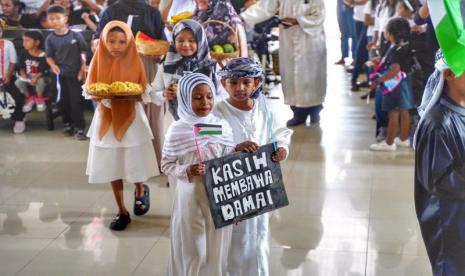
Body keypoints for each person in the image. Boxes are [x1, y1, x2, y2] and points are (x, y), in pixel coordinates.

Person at [214, 58, 292, 276]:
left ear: (256, 83)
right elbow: (205, 142)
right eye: (234, 82)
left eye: (247, 82)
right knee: (235, 239)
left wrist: (282, 149)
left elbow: (280, 133)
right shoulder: (216, 113)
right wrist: (233, 148)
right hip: (231, 188)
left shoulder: (264, 110)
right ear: (223, 84)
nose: (240, 88)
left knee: (259, 235)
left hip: (259, 187)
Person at [85, 21, 160, 231]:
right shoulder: (97, 60)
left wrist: (135, 94)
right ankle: (121, 210)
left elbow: (143, 92)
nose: (116, 46)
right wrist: (102, 96)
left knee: (133, 161)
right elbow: (90, 88)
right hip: (106, 116)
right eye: (111, 41)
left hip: (132, 118)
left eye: (121, 41)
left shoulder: (136, 61)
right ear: (103, 41)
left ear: (129, 43)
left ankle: (140, 188)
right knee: (111, 165)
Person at [161, 73, 235, 275]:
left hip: (218, 195)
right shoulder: (177, 130)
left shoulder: (221, 126)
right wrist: (187, 170)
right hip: (191, 195)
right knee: (195, 248)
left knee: (216, 244)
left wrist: (238, 149)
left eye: (209, 96)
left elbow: (226, 158)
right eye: (197, 97)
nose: (205, 102)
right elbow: (166, 165)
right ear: (185, 98)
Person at [94, 0, 167, 167]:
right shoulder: (110, 11)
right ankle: (121, 160)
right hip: (117, 66)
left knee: (149, 112)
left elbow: (162, 45)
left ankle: (151, 160)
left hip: (146, 65)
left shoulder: (152, 12)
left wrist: (156, 52)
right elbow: (98, 40)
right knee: (120, 110)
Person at [414, 50, 465, 275]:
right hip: (450, 221)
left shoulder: (460, 111)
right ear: (449, 74)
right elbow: (440, 182)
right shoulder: (437, 124)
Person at [240, 0, 327, 127]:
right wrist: (243, 17)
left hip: (310, 39)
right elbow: (265, 7)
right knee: (292, 76)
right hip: (289, 36)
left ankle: (315, 112)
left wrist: (298, 20)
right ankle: (298, 114)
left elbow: (319, 15)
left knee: (312, 77)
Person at [150, 19, 222, 120]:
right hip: (175, 123)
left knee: (207, 136)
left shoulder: (213, 67)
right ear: (174, 41)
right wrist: (164, 94)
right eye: (180, 40)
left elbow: (224, 97)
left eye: (192, 40)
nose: (185, 45)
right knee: (179, 136)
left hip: (208, 123)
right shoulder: (167, 65)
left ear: (200, 41)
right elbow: (152, 95)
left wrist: (201, 98)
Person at [369, 17, 414, 151]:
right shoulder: (405, 45)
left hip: (395, 85)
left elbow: (395, 70)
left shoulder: (394, 49)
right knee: (404, 110)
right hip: (405, 82)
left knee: (393, 113)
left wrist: (378, 80)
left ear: (390, 34)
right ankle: (404, 138)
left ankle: (389, 143)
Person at [45, 4, 88, 140]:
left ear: (65, 18)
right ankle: (67, 124)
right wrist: (52, 65)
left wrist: (82, 68)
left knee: (76, 102)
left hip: (75, 75)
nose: (54, 21)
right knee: (62, 101)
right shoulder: (50, 39)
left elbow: (83, 52)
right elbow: (48, 56)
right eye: (51, 19)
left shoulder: (76, 35)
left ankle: (80, 127)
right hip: (59, 76)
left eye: (57, 18)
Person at [0, 19, 25, 134]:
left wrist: (7, 75)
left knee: (17, 96)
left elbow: (12, 62)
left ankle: (19, 119)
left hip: (7, 76)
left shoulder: (8, 44)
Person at [15, 30, 49, 113]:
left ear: (37, 42)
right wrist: (23, 75)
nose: (24, 43)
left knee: (41, 82)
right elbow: (20, 66)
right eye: (23, 40)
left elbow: (44, 69)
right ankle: (29, 98)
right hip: (28, 77)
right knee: (18, 82)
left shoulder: (43, 55)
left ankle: (39, 98)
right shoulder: (24, 53)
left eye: (27, 40)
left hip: (41, 76)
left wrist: (36, 77)